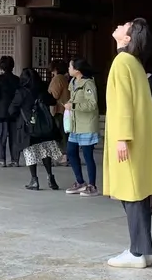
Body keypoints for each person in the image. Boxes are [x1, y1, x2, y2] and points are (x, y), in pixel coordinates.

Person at [103, 17, 152, 268]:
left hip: (128, 137)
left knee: (131, 193)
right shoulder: (134, 63)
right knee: (139, 194)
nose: (119, 26)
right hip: (139, 137)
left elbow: (122, 104)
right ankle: (142, 248)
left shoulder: (122, 62)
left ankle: (137, 252)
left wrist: (122, 137)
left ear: (127, 38)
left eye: (124, 26)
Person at [12, 68, 61, 191]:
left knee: (30, 152)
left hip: (28, 127)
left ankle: (34, 180)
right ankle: (50, 177)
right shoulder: (42, 90)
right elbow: (53, 101)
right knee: (45, 151)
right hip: (44, 126)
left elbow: (12, 109)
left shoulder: (21, 92)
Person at [64, 57, 100, 196]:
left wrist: (73, 106)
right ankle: (80, 182)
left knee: (87, 155)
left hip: (87, 125)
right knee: (71, 151)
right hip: (75, 124)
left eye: (70, 66)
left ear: (77, 70)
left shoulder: (88, 84)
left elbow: (92, 104)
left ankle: (92, 185)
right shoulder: (73, 82)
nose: (68, 69)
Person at [0, 56, 20, 167]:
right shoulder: (17, 80)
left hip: (1, 110)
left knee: (0, 136)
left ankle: (1, 160)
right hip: (14, 111)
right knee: (14, 137)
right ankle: (15, 160)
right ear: (12, 66)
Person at [49, 59, 71, 163]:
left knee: (59, 133)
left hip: (59, 109)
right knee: (64, 133)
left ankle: (63, 156)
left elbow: (54, 95)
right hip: (65, 109)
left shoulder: (57, 79)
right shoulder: (64, 78)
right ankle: (65, 155)